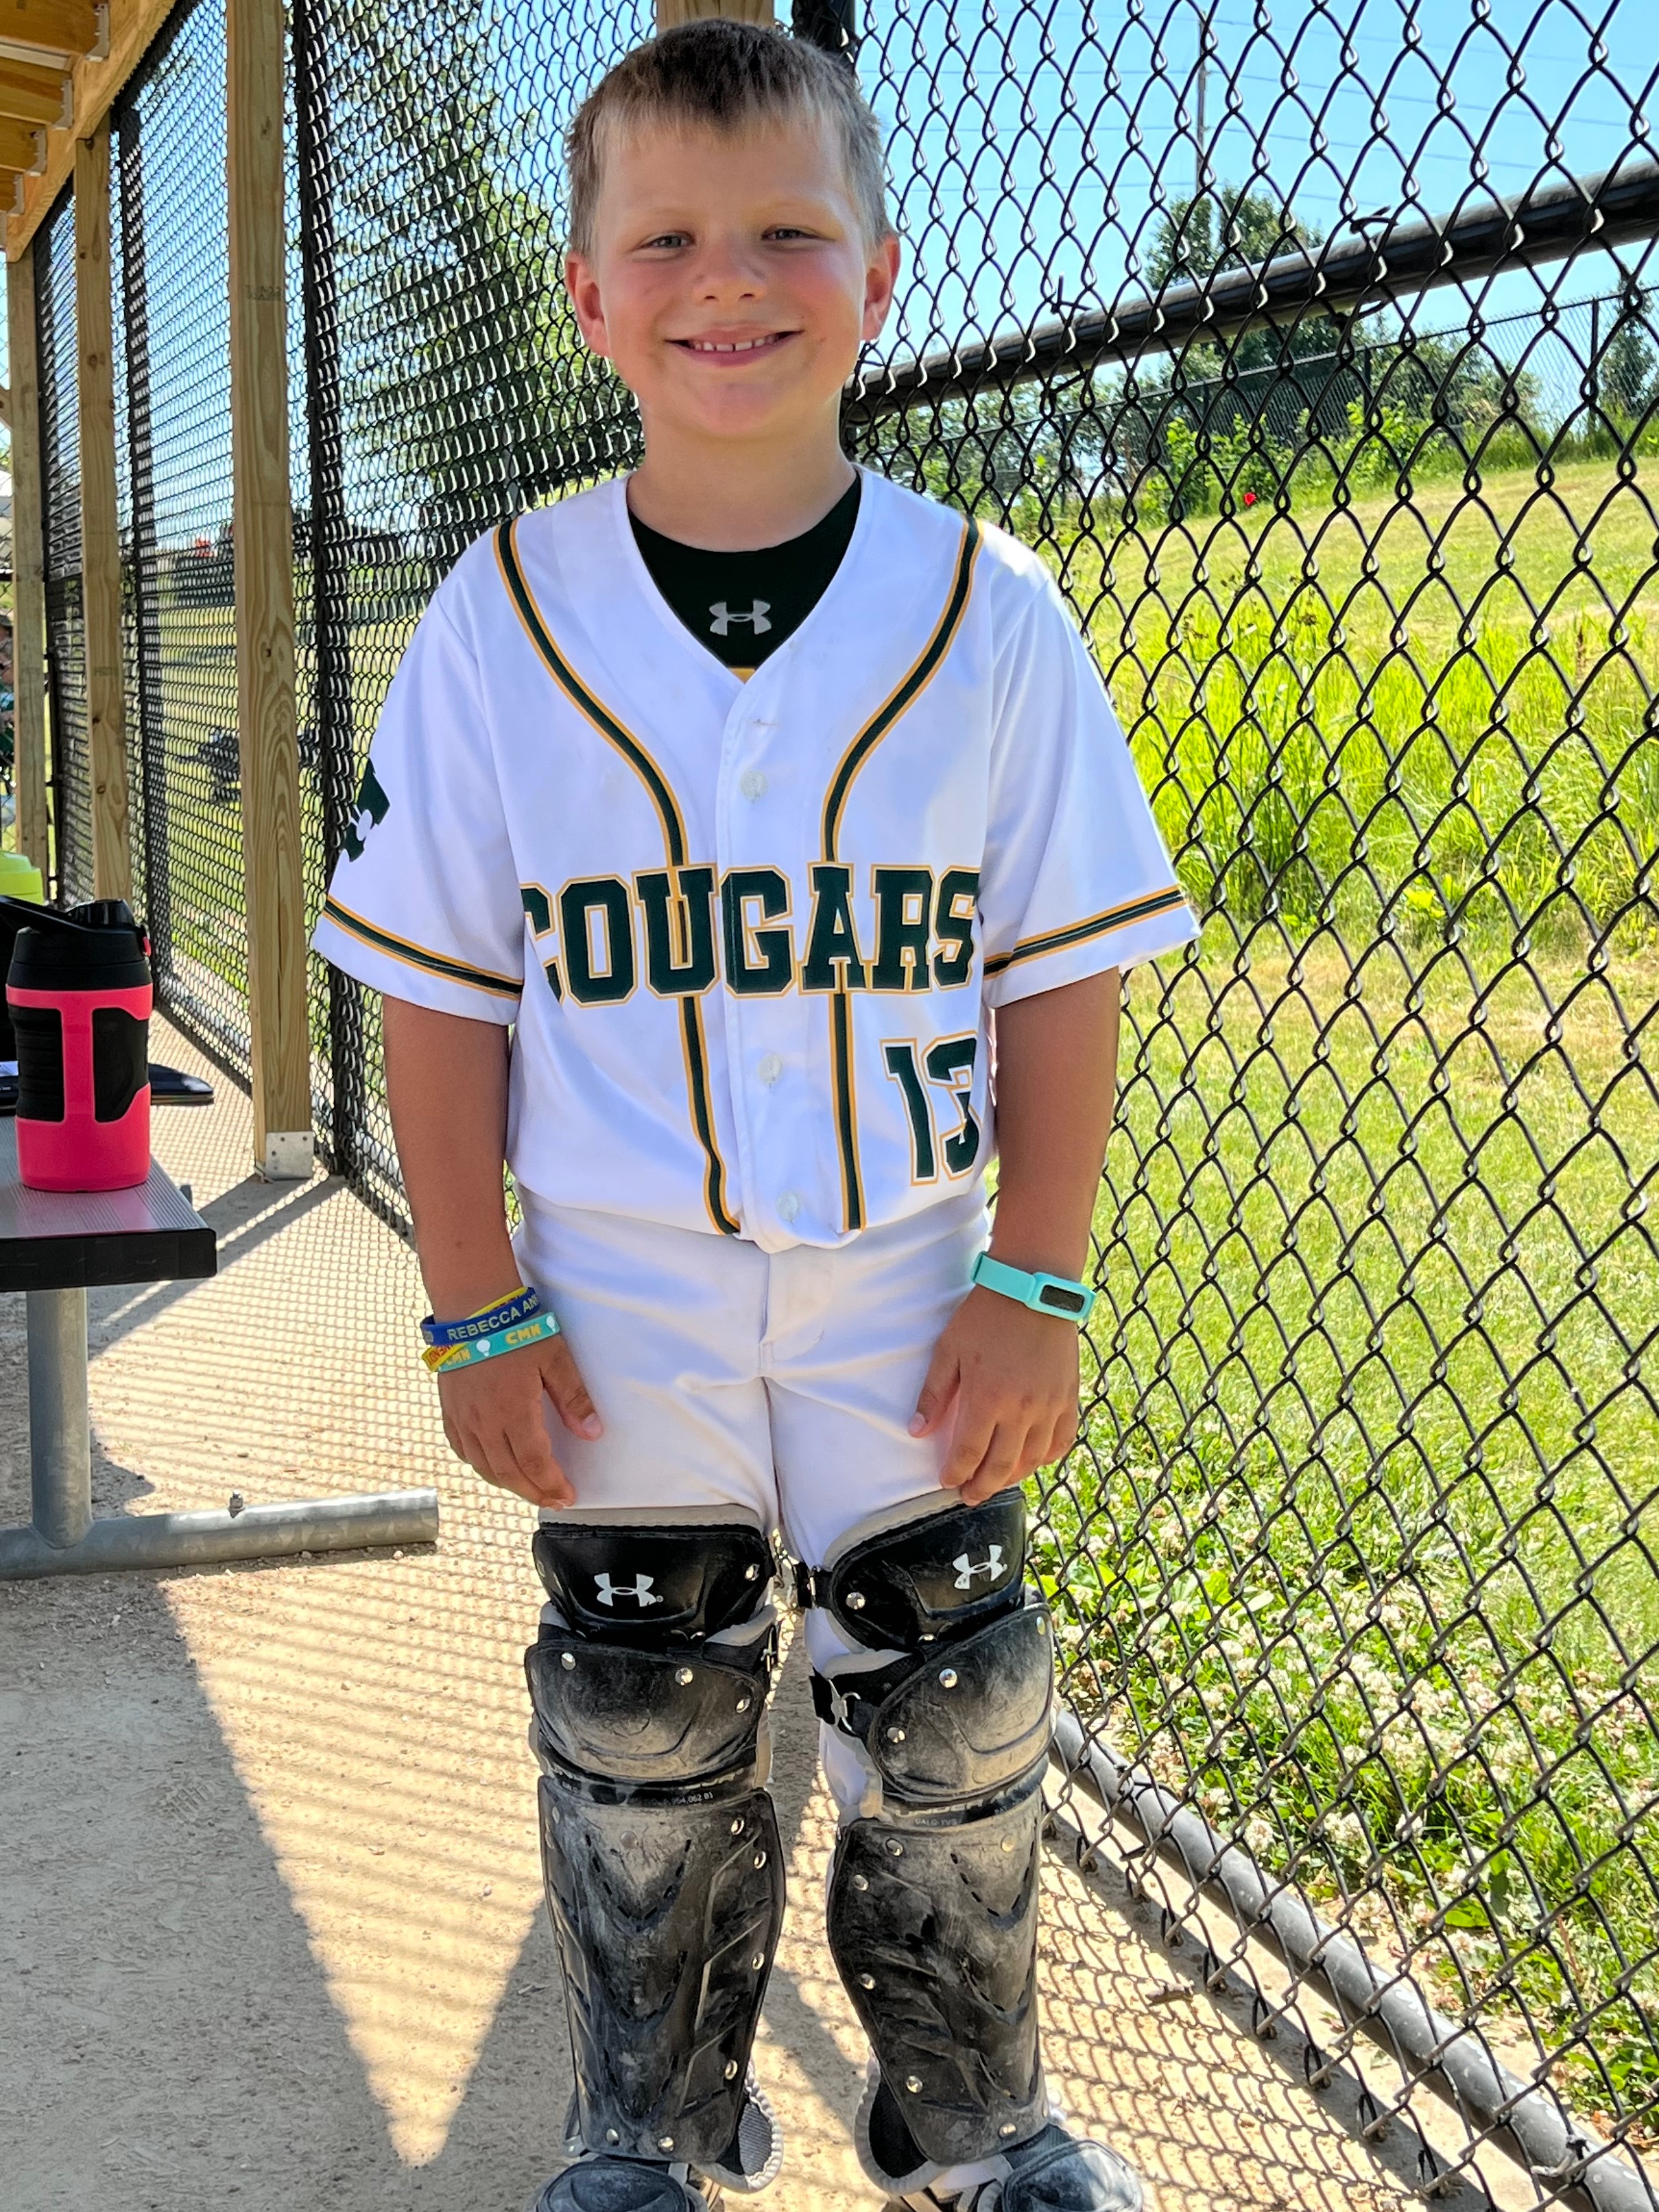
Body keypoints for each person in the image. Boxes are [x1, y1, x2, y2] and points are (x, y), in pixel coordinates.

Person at [313, 22, 1197, 2211]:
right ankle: (647, 2120)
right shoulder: (503, 613)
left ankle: (971, 2113)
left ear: (879, 280)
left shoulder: (987, 607)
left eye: (789, 232)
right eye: (668, 240)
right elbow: (438, 988)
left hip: (912, 1260)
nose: (729, 277)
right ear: (588, 296)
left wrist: (1038, 1272)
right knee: (637, 1700)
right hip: (614, 1271)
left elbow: (1056, 970)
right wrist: (471, 1302)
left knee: (959, 1686)